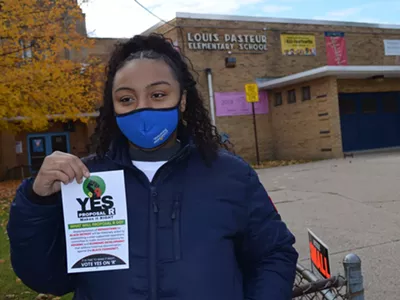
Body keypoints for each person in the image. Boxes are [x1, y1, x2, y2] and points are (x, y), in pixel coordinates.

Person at [7, 33, 298, 300]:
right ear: (113, 106)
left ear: (182, 100)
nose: (142, 108)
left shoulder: (231, 175)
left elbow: (274, 254)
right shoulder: (85, 182)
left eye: (158, 95)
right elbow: (48, 279)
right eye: (126, 99)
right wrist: (37, 202)